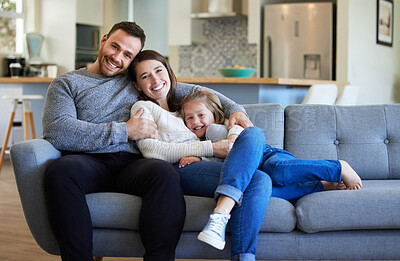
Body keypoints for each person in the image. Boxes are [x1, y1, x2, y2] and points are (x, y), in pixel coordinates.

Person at [42, 22, 250, 261]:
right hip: (89, 161)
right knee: (60, 171)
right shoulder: (67, 84)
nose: (117, 57)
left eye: (127, 55)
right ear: (104, 41)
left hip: (135, 162)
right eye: (115, 47)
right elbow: (57, 130)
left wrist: (237, 110)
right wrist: (124, 131)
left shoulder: (138, 81)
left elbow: (203, 93)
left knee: (164, 173)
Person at [129, 50, 271, 261]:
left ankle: (235, 242)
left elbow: (218, 103)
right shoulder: (144, 108)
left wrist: (232, 126)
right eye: (145, 76)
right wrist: (212, 149)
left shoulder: (184, 108)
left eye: (159, 71)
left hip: (204, 164)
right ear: (137, 85)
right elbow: (152, 151)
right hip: (181, 168)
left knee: (260, 172)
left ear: (168, 71)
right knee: (258, 177)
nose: (155, 79)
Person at [179, 89, 363, 192]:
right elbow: (221, 163)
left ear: (215, 115)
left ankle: (339, 167)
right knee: (268, 190)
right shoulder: (199, 138)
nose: (195, 121)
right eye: (189, 118)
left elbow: (228, 150)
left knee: (278, 171)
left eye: (201, 115)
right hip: (256, 171)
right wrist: (200, 159)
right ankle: (321, 185)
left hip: (268, 157)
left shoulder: (217, 129)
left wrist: (201, 155)